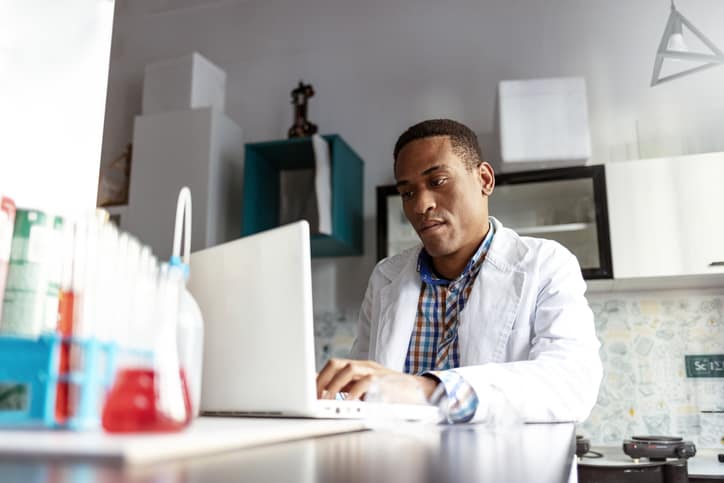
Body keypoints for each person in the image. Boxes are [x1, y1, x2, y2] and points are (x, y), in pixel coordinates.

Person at [316, 119, 602, 423]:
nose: (421, 205)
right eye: (408, 193)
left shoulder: (547, 263)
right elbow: (364, 389)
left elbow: (570, 383)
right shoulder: (386, 276)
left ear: (484, 180)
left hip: (501, 466)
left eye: (437, 181)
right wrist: (320, 393)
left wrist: (427, 389)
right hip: (398, 463)